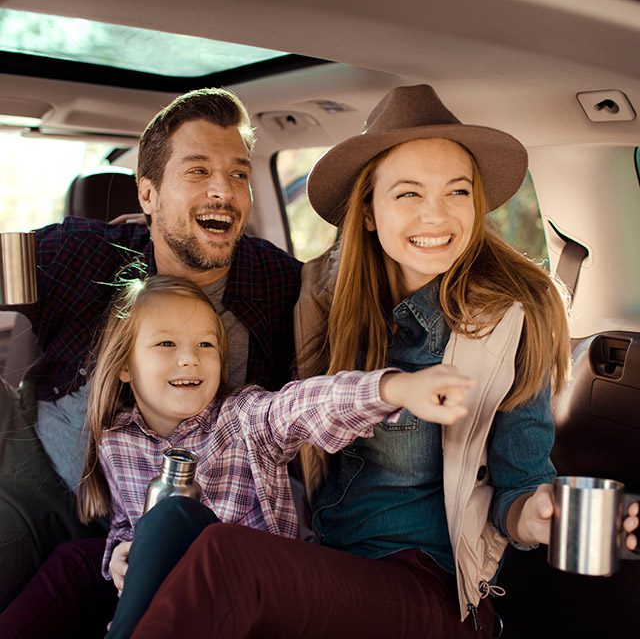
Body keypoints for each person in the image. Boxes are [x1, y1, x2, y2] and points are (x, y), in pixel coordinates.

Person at [122, 84, 634, 639]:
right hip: (327, 559)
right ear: (368, 212)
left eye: (457, 192)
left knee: (226, 557)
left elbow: (520, 485)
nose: (436, 215)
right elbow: (280, 425)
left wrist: (536, 515)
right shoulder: (324, 298)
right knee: (172, 521)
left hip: (431, 588)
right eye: (409, 194)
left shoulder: (509, 320)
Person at [0, 87, 301, 636]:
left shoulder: (275, 279)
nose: (223, 191)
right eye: (198, 171)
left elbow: (349, 287)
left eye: (239, 173)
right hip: (50, 483)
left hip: (177, 515)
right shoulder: (83, 253)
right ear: (148, 193)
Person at [72, 273, 474, 638]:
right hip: (178, 611)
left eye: (205, 344)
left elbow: (303, 404)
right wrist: (122, 554)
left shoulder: (243, 419)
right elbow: (126, 523)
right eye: (166, 343)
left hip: (254, 609)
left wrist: (393, 391)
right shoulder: (117, 441)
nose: (189, 358)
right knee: (139, 533)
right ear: (124, 364)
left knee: (175, 514)